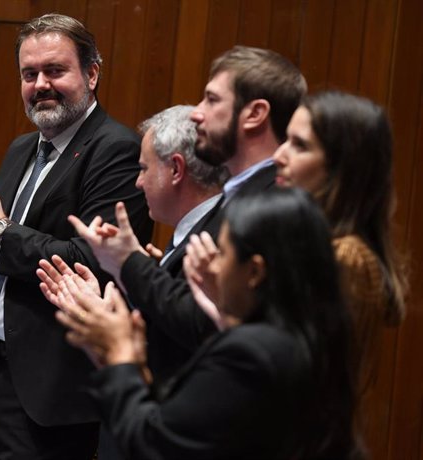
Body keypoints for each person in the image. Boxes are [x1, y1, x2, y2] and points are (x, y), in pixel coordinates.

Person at [0, 13, 151, 460]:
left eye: (55, 70)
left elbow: (88, 262)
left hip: (59, 388)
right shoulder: (20, 149)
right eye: (29, 74)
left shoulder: (115, 149)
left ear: (91, 73)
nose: (40, 85)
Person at [53, 188, 359, 459]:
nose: (212, 265)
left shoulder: (251, 353)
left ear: (254, 272)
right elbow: (189, 420)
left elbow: (153, 445)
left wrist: (119, 356)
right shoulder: (313, 337)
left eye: (222, 253)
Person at [64, 46, 306, 354]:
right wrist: (158, 273)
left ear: (255, 114)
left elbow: (205, 327)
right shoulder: (237, 195)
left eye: (213, 99)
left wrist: (129, 263)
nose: (197, 113)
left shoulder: (274, 203)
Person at [38, 104, 227, 390]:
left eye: (143, 168)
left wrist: (128, 264)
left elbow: (191, 336)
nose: (138, 182)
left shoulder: (217, 241)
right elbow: (168, 319)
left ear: (176, 169)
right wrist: (105, 309)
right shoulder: (192, 234)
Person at [272, 90, 408, 454]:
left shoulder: (345, 257)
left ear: (341, 168)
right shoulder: (316, 244)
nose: (278, 155)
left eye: (299, 146)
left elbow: (299, 378)